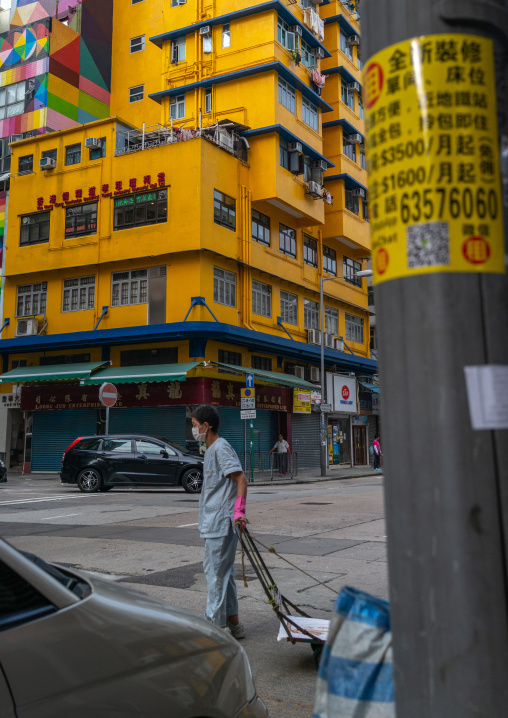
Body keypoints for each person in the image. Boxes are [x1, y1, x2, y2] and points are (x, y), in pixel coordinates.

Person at [191, 404, 248, 639]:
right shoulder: (211, 449)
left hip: (222, 522)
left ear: (206, 426)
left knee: (215, 573)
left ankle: (215, 628)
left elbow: (241, 479)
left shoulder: (221, 448)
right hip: (215, 521)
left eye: (195, 426)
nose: (193, 430)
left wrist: (239, 512)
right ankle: (233, 623)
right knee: (224, 573)